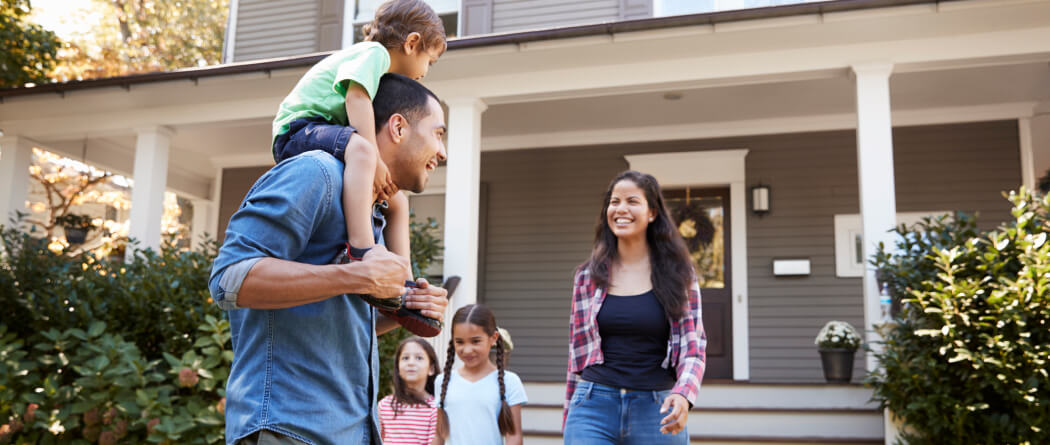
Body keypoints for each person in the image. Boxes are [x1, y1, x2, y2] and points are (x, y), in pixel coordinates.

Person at [209, 73, 449, 445]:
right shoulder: (315, 173)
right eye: (438, 133)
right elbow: (229, 279)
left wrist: (405, 309)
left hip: (352, 431)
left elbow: (344, 316)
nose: (443, 152)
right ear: (398, 127)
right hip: (288, 429)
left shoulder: (376, 217)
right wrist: (356, 277)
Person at [270, 0, 447, 336]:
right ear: (411, 43)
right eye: (429, 59)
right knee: (361, 151)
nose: (425, 70)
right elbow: (356, 100)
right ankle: (362, 250)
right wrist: (373, 157)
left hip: (316, 131)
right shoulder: (373, 55)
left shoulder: (373, 67)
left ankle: (404, 288)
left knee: (397, 200)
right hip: (298, 128)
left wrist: (404, 303)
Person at [563, 170, 708, 444]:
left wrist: (684, 394)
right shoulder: (587, 277)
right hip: (593, 406)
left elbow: (694, 347)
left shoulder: (679, 275)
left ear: (652, 213)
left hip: (657, 407)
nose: (620, 209)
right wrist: (571, 412)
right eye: (614, 201)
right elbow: (576, 356)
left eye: (632, 201)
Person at [434, 304, 527, 445]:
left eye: (475, 341)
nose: (467, 350)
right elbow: (438, 436)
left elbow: (514, 437)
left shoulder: (510, 381)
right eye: (459, 342)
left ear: (493, 338)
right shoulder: (442, 381)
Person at [379, 337, 440, 445]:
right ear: (398, 368)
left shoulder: (435, 409)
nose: (411, 363)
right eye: (405, 358)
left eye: (419, 358)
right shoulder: (384, 405)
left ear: (431, 369)